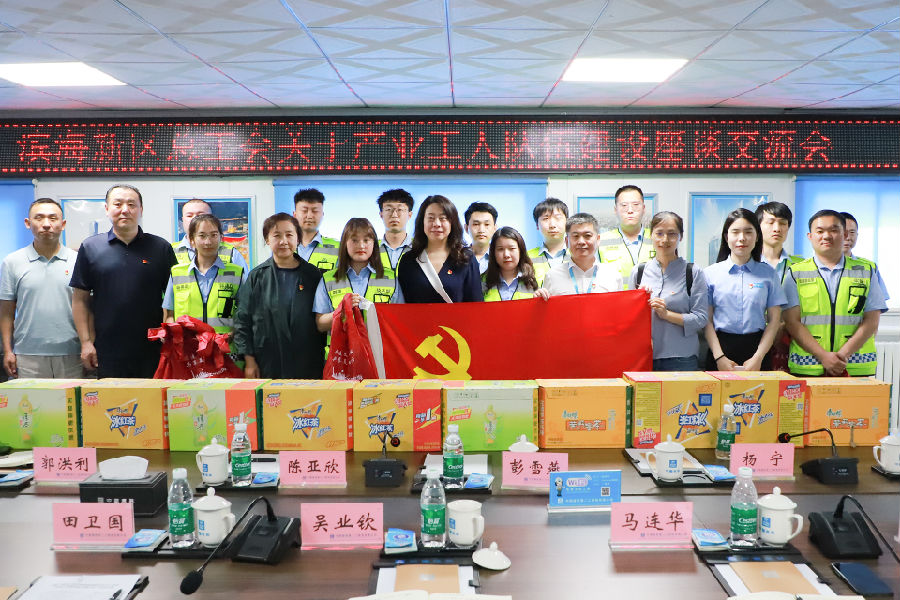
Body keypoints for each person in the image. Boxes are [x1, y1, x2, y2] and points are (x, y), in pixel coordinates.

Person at [69, 184, 177, 378]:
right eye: (118, 204)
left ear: (141, 209)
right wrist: (86, 342)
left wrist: (169, 334)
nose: (125, 210)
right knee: (110, 398)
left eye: (131, 204)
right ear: (107, 209)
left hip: (153, 349)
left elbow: (174, 298)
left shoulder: (161, 247)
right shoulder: (91, 247)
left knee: (152, 397)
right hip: (106, 350)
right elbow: (80, 300)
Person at [782, 210, 886, 377]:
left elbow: (872, 321)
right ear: (810, 236)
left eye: (833, 230)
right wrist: (823, 356)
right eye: (820, 231)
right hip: (808, 366)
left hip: (854, 366)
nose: (827, 236)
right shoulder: (795, 273)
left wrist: (842, 355)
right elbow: (792, 322)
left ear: (844, 235)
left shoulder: (865, 271)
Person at [232, 213, 325, 379]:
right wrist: (249, 361)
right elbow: (242, 321)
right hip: (267, 362)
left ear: (298, 238)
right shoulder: (257, 276)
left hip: (307, 361)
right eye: (276, 235)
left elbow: (321, 318)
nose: (283, 241)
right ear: (267, 240)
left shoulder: (313, 275)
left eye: (289, 235)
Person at [0, 198, 81, 378]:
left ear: (63, 224)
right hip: (27, 355)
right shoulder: (12, 262)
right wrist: (7, 351)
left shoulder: (78, 260)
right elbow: (6, 312)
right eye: (39, 218)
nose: (46, 224)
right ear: (28, 223)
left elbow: (87, 307)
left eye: (53, 218)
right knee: (31, 398)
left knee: (71, 398)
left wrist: (88, 344)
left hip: (73, 354)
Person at [703, 208, 786, 371]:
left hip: (758, 350)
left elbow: (774, 321)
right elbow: (707, 321)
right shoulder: (710, 274)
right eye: (735, 232)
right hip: (720, 349)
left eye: (748, 232)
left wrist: (758, 357)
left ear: (757, 237)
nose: (742, 238)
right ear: (726, 237)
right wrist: (719, 357)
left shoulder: (768, 274)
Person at [629, 211, 708, 372]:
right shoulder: (639, 272)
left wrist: (667, 315)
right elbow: (629, 317)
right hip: (644, 355)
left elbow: (701, 319)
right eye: (659, 233)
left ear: (681, 237)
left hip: (682, 358)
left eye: (672, 234)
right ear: (651, 235)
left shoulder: (693, 272)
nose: (665, 240)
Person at [162, 213, 247, 338]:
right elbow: (169, 314)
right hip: (188, 348)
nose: (208, 242)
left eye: (214, 235)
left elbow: (246, 314)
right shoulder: (177, 274)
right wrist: (173, 334)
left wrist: (233, 334)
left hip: (225, 347)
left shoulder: (237, 274)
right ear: (192, 240)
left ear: (221, 238)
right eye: (202, 236)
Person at [314, 218, 402, 333]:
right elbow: (320, 325)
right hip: (340, 345)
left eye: (366, 240)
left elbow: (400, 320)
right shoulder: (328, 279)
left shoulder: (391, 279)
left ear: (374, 244)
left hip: (379, 345)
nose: (361, 245)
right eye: (354, 240)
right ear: (345, 243)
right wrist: (342, 312)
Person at [396, 195, 483, 303]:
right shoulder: (408, 260)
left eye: (443, 218)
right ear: (422, 222)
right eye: (431, 218)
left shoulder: (466, 258)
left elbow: (476, 306)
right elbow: (402, 306)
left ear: (452, 223)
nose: (436, 224)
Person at [542, 213, 621, 296]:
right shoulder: (552, 276)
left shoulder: (613, 276)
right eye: (575, 236)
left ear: (598, 240)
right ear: (567, 241)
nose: (581, 242)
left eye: (587, 236)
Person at [598, 185, 655, 289]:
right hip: (616, 298)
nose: (630, 210)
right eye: (624, 205)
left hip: (651, 298)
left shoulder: (656, 238)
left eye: (635, 205)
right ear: (615, 210)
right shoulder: (600, 241)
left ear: (643, 208)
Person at [171, 198, 249, 272]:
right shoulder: (170, 251)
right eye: (189, 216)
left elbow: (245, 280)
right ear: (183, 220)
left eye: (200, 215)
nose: (194, 219)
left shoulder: (231, 253)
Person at [482, 227, 549, 301]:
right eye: (500, 249)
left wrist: (539, 298)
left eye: (512, 249)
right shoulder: (482, 282)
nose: (506, 255)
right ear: (493, 253)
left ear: (521, 251)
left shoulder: (535, 279)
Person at [840, 211, 890, 300]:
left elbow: (878, 303)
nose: (847, 237)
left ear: (857, 235)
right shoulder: (816, 265)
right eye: (842, 232)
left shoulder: (870, 267)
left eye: (852, 232)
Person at [293, 188, 339, 273]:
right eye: (304, 211)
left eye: (315, 211)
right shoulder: (284, 247)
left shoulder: (338, 248)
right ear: (294, 215)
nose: (309, 216)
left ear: (322, 215)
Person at [755, 201, 803, 283]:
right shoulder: (747, 263)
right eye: (770, 222)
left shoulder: (801, 265)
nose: (777, 229)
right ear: (758, 227)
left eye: (782, 223)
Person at [527, 198, 569, 286]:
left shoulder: (579, 254)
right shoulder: (526, 257)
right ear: (537, 225)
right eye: (546, 219)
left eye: (558, 218)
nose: (552, 225)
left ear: (567, 223)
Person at [377, 188, 414, 270]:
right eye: (388, 209)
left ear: (409, 215)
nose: (394, 215)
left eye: (400, 210)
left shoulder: (419, 248)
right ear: (381, 215)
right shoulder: (372, 248)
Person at [464, 202, 498, 274]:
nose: (481, 230)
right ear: (466, 228)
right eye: (476, 224)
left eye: (487, 224)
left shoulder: (501, 257)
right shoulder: (458, 258)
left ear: (495, 228)